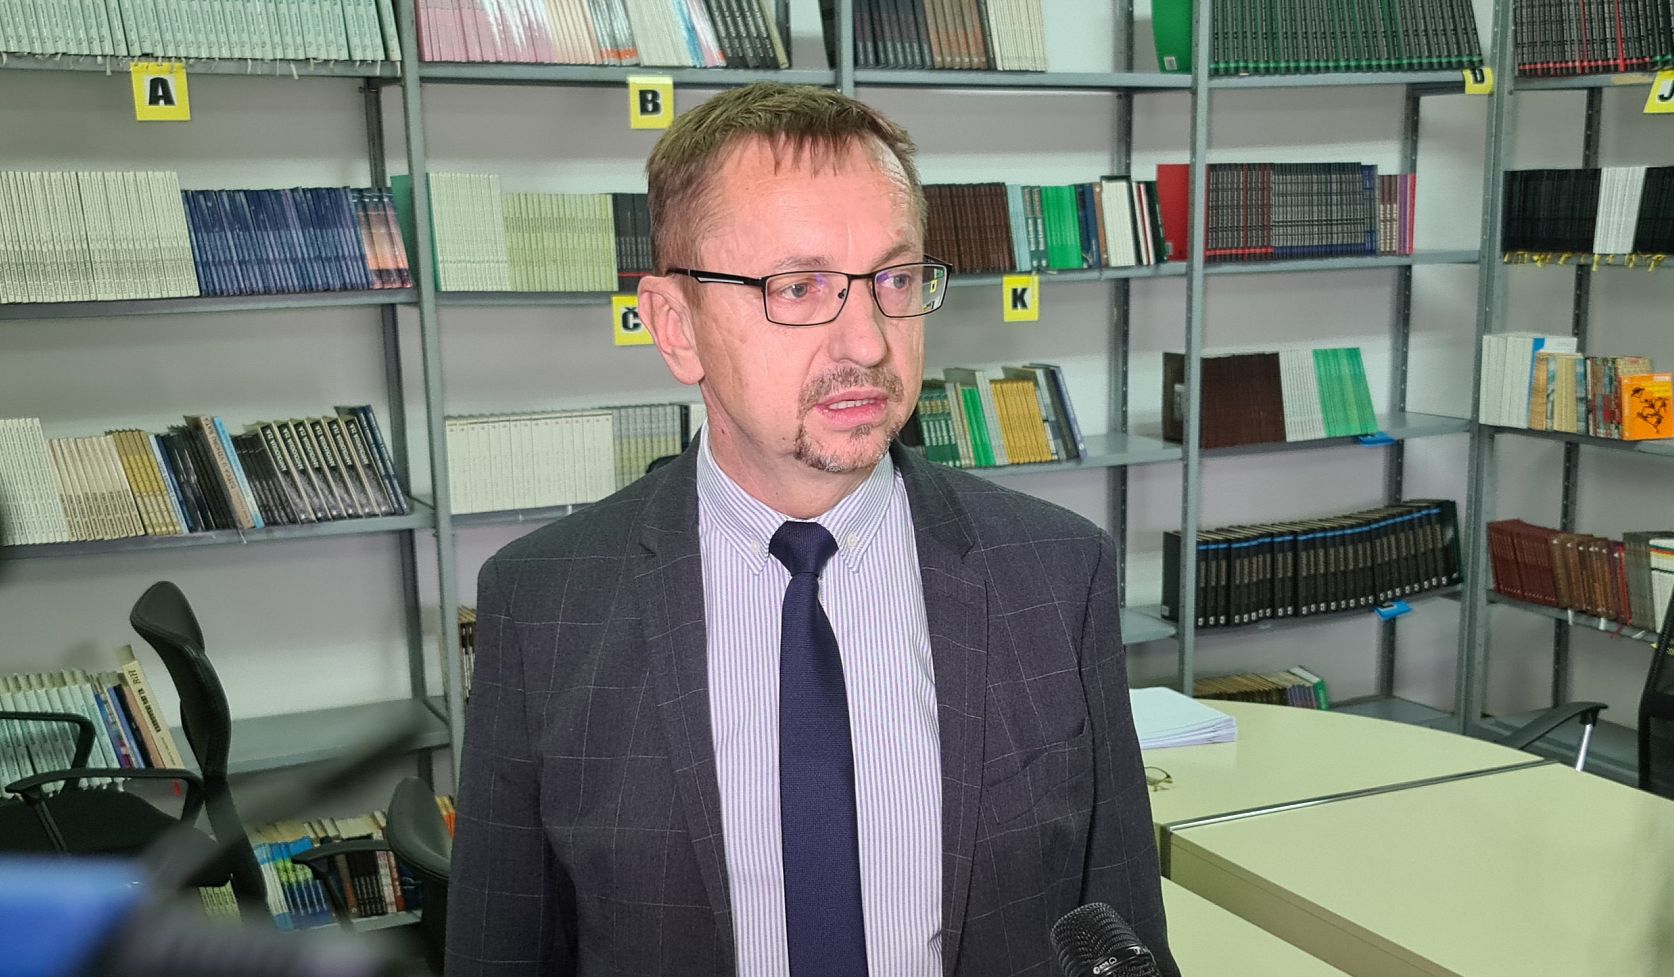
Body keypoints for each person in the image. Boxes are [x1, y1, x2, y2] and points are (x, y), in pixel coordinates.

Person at [445, 82, 1177, 977]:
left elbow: (1124, 935)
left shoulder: (1059, 574)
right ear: (676, 327)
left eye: (894, 280)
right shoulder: (543, 607)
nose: (867, 342)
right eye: (799, 287)